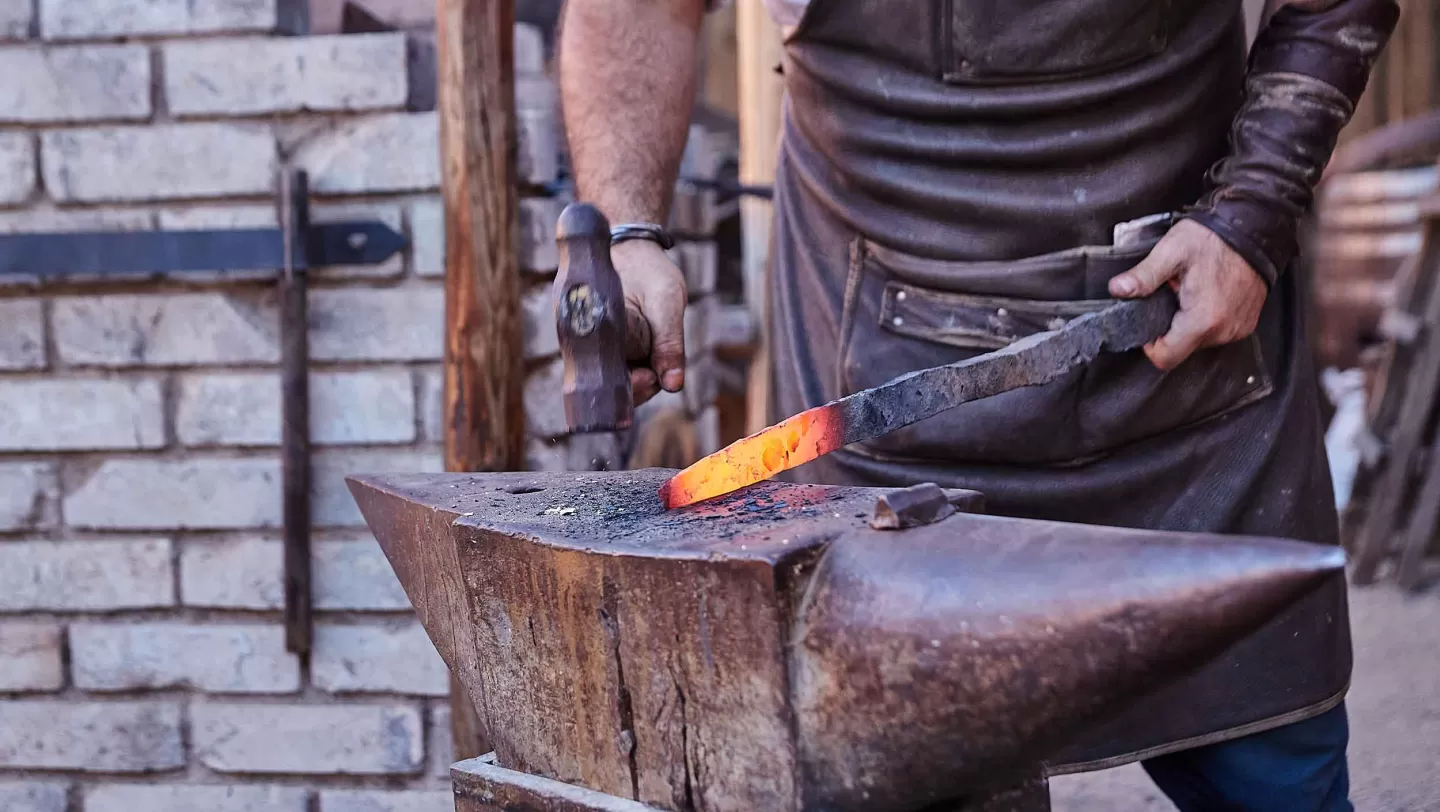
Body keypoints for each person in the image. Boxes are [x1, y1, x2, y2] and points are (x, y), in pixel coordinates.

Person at [557, 1, 1398, 809]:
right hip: (883, 373)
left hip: (1190, 354)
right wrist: (630, 237)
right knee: (878, 767)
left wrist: (1252, 213)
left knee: (1272, 774)